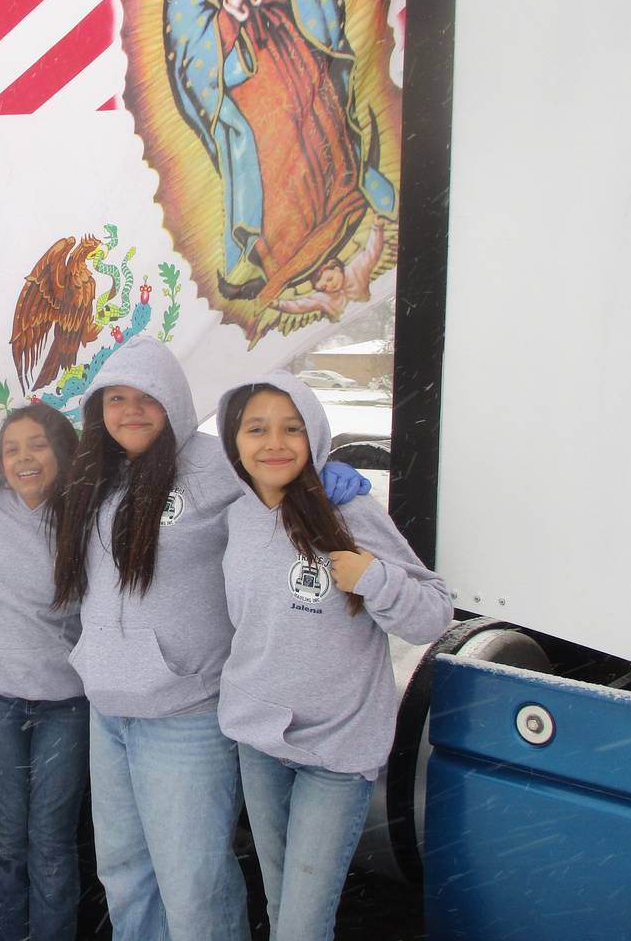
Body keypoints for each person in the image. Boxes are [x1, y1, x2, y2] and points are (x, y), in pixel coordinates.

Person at [52, 336, 367, 941]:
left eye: (147, 398)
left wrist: (324, 472)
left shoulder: (214, 465)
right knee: (123, 874)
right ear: (99, 408)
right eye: (116, 398)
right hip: (109, 711)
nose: (131, 411)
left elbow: (277, 471)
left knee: (193, 885)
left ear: (173, 400)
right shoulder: (95, 475)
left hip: (186, 714)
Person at [216, 371, 451, 940]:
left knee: (302, 925)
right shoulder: (236, 514)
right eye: (257, 429)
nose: (274, 443)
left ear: (314, 434)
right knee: (278, 906)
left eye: (292, 428)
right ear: (233, 440)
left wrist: (377, 579)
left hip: (336, 753)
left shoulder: (349, 511)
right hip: (259, 742)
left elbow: (433, 614)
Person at [164, 0, 394, 309]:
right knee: (272, 159)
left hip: (290, 54)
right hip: (247, 88)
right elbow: (192, 60)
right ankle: (288, 249)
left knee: (316, 131)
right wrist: (230, 4)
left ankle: (339, 205)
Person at [0, 403, 86, 941]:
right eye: (11, 448)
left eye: (37, 444)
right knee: (9, 842)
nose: (24, 459)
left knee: (51, 843)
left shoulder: (87, 517)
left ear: (61, 450)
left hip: (65, 703)